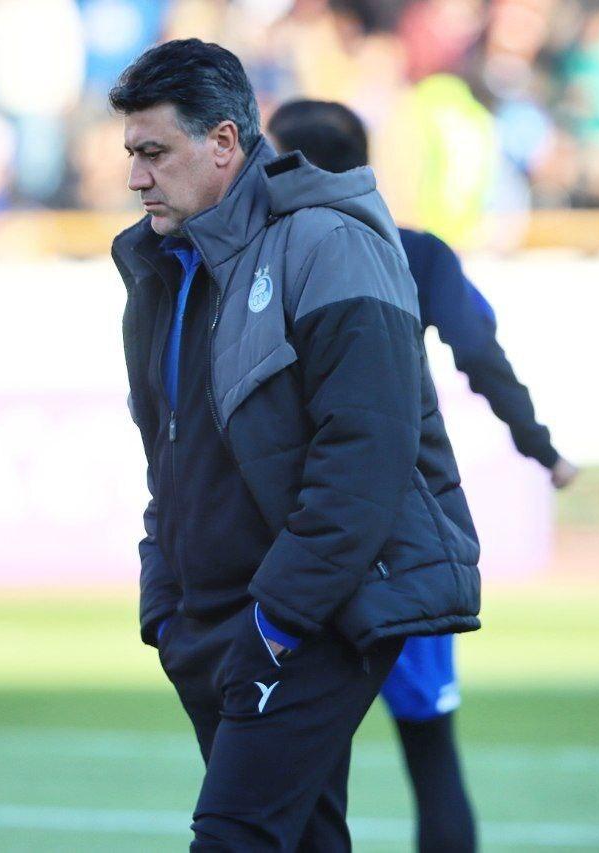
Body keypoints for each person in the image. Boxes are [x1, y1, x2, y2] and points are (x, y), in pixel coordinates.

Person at [108, 40, 481, 852]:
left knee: (234, 837)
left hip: (310, 613)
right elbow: (169, 459)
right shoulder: (161, 268)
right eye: (132, 153)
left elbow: (365, 458)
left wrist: (276, 620)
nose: (135, 176)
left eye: (154, 152)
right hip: (213, 623)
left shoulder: (329, 244)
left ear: (223, 143)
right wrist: (166, 605)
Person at [268, 98, 578, 853]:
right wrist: (542, 448)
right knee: (431, 753)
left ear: (281, 162)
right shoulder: (415, 252)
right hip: (398, 538)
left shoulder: (262, 255)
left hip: (296, 538)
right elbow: (480, 354)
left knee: (298, 770)